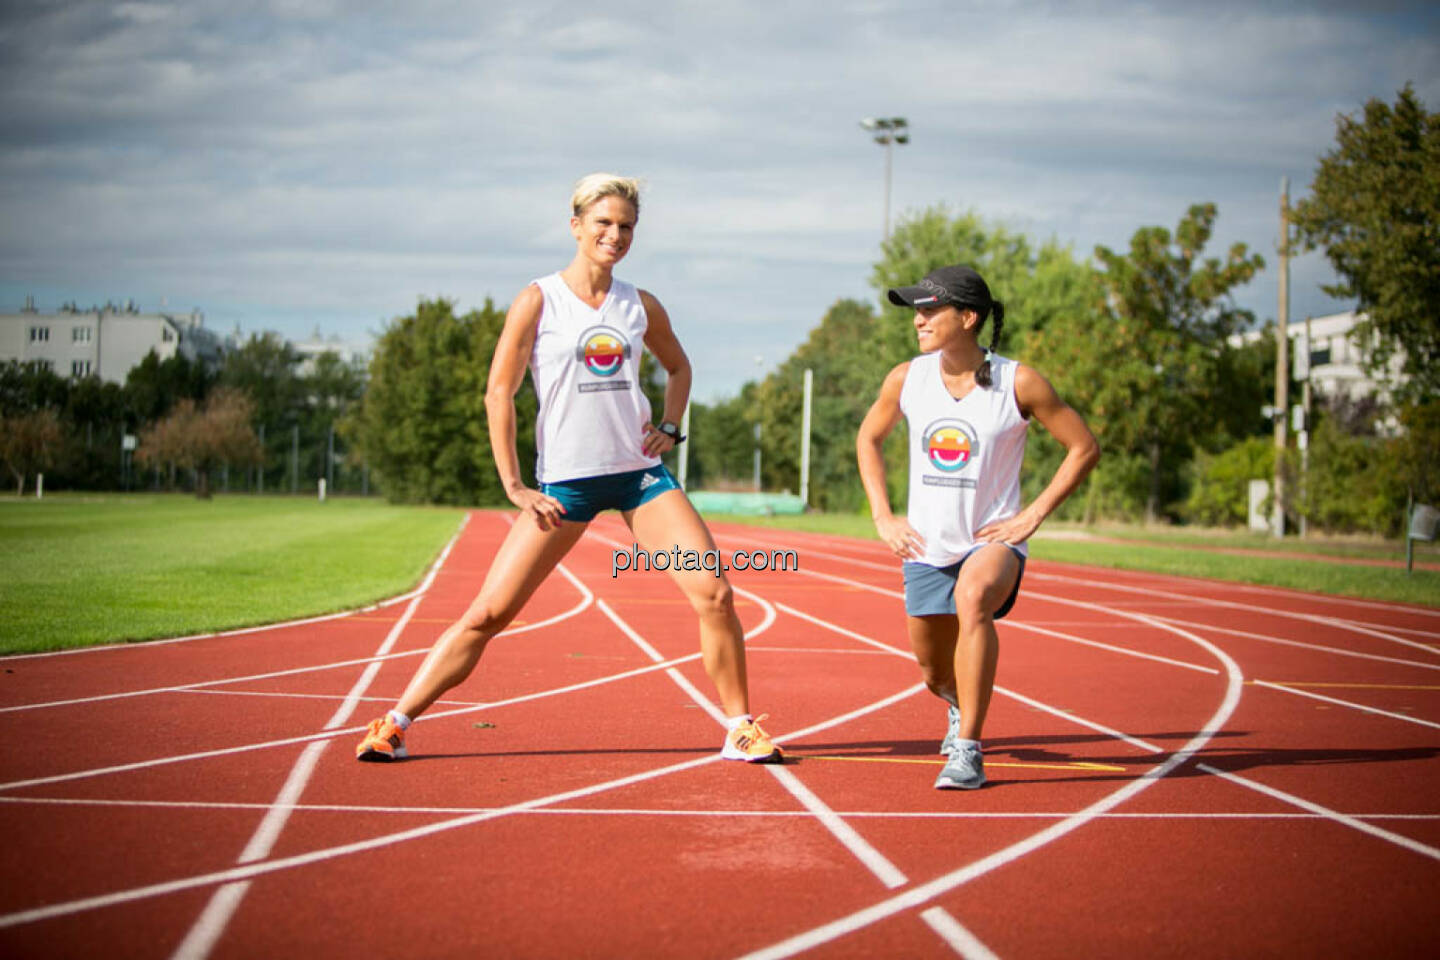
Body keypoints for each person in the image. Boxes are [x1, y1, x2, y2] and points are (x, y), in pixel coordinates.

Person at [357, 173, 782, 765]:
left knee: (714, 594)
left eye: (626, 226)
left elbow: (679, 369)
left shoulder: (640, 304)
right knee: (487, 614)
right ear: (576, 224)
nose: (616, 234)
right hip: (564, 487)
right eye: (604, 223)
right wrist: (513, 485)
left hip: (639, 477)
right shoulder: (538, 299)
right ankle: (396, 722)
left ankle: (739, 727)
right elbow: (497, 394)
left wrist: (671, 425)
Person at [855, 264, 1099, 789]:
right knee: (933, 673)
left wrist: (1032, 515)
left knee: (973, 598)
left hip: (991, 541)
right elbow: (867, 440)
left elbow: (1083, 447)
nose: (917, 320)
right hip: (925, 546)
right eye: (915, 311)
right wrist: (883, 514)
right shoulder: (907, 378)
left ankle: (967, 748)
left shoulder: (1020, 382)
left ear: (967, 318)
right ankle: (956, 704)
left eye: (929, 309)